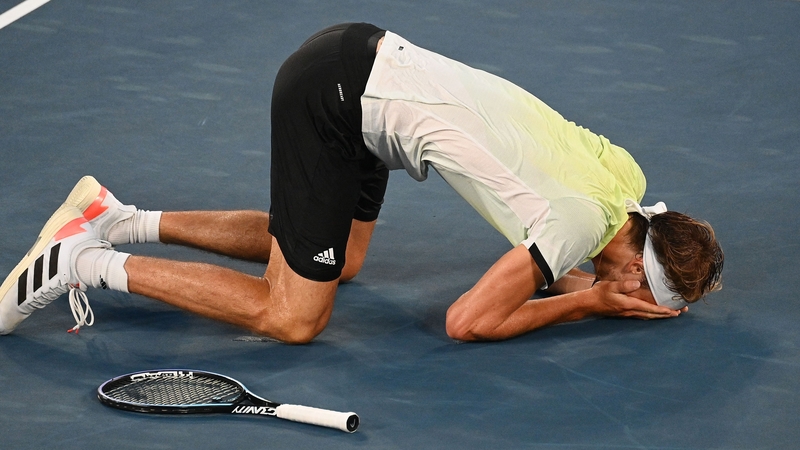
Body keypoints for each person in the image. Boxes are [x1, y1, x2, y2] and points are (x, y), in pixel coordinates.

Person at [0, 23, 723, 342]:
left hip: (368, 61)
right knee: (293, 317)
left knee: (340, 258)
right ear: (635, 262)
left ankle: (113, 216)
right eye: (640, 289)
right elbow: (468, 321)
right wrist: (591, 302)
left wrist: (596, 287)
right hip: (338, 99)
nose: (631, 298)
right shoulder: (575, 227)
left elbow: (569, 258)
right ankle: (79, 262)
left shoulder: (622, 180)